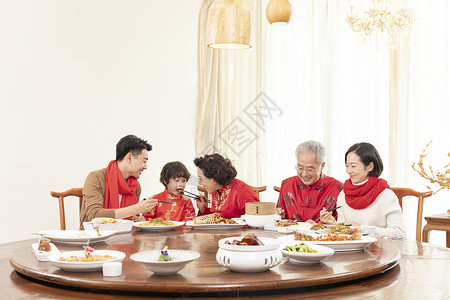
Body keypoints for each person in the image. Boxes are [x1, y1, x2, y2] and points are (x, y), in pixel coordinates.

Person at [320, 142, 406, 238]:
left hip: (379, 250)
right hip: (352, 250)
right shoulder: (343, 194)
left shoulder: (386, 195)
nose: (348, 171)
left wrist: (363, 229)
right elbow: (345, 231)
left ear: (370, 166)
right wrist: (333, 223)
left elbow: (399, 232)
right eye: (347, 165)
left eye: (353, 166)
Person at [79, 135, 158, 227]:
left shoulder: (135, 186)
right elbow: (94, 215)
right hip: (95, 236)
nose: (145, 167)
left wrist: (137, 219)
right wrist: (136, 209)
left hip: (123, 236)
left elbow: (130, 217)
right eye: (144, 161)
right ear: (129, 157)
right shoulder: (96, 177)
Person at [276, 140, 343, 223]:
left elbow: (341, 225)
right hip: (290, 235)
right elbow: (279, 218)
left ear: (322, 166)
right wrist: (280, 217)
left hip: (322, 235)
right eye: (300, 168)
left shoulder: (336, 187)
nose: (304, 174)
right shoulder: (287, 184)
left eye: (310, 169)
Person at [194, 153, 259, 219]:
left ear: (214, 177)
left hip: (239, 229)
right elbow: (216, 218)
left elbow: (255, 219)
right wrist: (203, 209)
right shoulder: (216, 190)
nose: (200, 183)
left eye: (201, 179)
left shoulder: (241, 190)